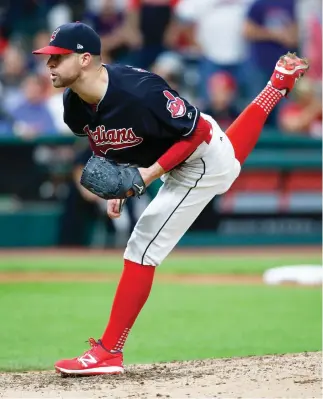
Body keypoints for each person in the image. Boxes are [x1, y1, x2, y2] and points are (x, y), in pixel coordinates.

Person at [32, 22, 309, 376]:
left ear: (85, 59)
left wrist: (145, 177)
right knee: (231, 162)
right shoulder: (74, 104)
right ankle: (276, 86)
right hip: (185, 150)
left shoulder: (139, 90)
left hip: (197, 155)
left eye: (58, 57)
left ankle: (109, 352)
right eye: (48, 58)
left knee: (142, 245)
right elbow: (105, 140)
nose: (49, 64)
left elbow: (195, 134)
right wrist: (119, 184)